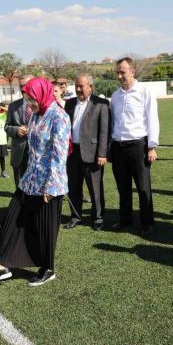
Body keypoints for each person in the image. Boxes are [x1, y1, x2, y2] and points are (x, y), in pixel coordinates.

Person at [0, 78, 70, 286]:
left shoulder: (59, 116)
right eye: (27, 99)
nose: (30, 104)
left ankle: (47, 268)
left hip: (49, 184)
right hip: (29, 181)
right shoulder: (35, 114)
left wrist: (51, 186)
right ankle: (3, 264)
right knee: (13, 220)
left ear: (43, 94)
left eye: (32, 99)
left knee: (45, 228)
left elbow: (59, 155)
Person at [110, 57, 160, 235]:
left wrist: (152, 146)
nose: (119, 76)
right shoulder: (115, 96)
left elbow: (152, 119)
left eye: (122, 72)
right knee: (123, 187)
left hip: (138, 145)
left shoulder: (144, 92)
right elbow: (113, 121)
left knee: (143, 187)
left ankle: (147, 223)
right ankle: (125, 220)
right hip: (118, 146)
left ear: (132, 71)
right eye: (117, 72)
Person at [64, 73, 109, 231]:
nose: (78, 89)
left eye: (81, 86)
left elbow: (104, 131)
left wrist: (102, 154)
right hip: (72, 153)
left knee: (95, 188)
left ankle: (98, 217)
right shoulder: (69, 103)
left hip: (92, 153)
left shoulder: (101, 103)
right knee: (73, 187)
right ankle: (76, 216)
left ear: (91, 86)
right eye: (76, 85)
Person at [5, 74, 35, 187]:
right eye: (21, 85)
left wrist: (31, 130)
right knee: (20, 186)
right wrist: (16, 130)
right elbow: (7, 127)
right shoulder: (13, 106)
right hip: (19, 152)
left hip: (37, 152)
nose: (23, 88)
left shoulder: (41, 105)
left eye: (26, 85)